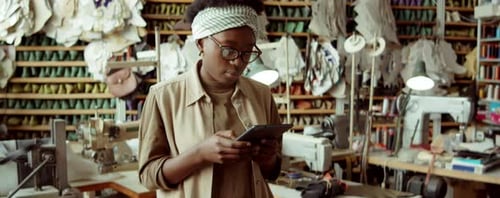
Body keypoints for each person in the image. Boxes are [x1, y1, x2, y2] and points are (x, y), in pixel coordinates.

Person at [137, 0, 282, 197]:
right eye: (228, 49)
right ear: (201, 43)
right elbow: (148, 176)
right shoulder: (164, 97)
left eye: (247, 51)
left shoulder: (261, 94)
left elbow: (273, 171)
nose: (238, 61)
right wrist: (200, 155)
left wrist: (267, 158)